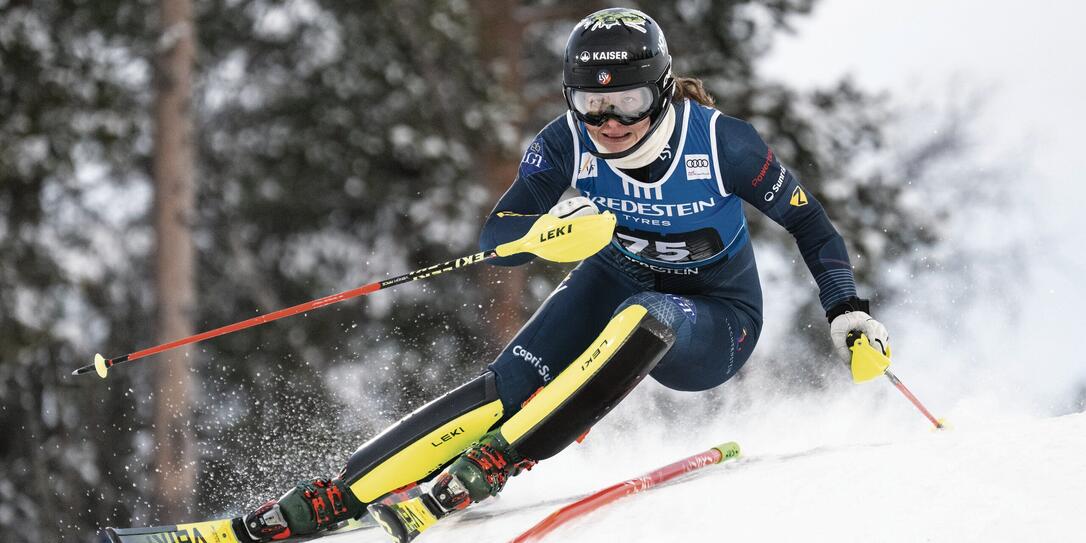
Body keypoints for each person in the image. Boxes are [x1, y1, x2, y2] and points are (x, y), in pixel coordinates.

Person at [239, 7, 890, 543]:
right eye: (591, 103)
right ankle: (337, 493)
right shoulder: (563, 142)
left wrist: (848, 311)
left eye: (628, 103)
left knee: (646, 317)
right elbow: (498, 235)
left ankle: (501, 459)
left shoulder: (721, 143)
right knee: (506, 385)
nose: (609, 123)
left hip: (715, 319)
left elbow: (811, 224)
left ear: (661, 90)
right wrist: (542, 238)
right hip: (613, 277)